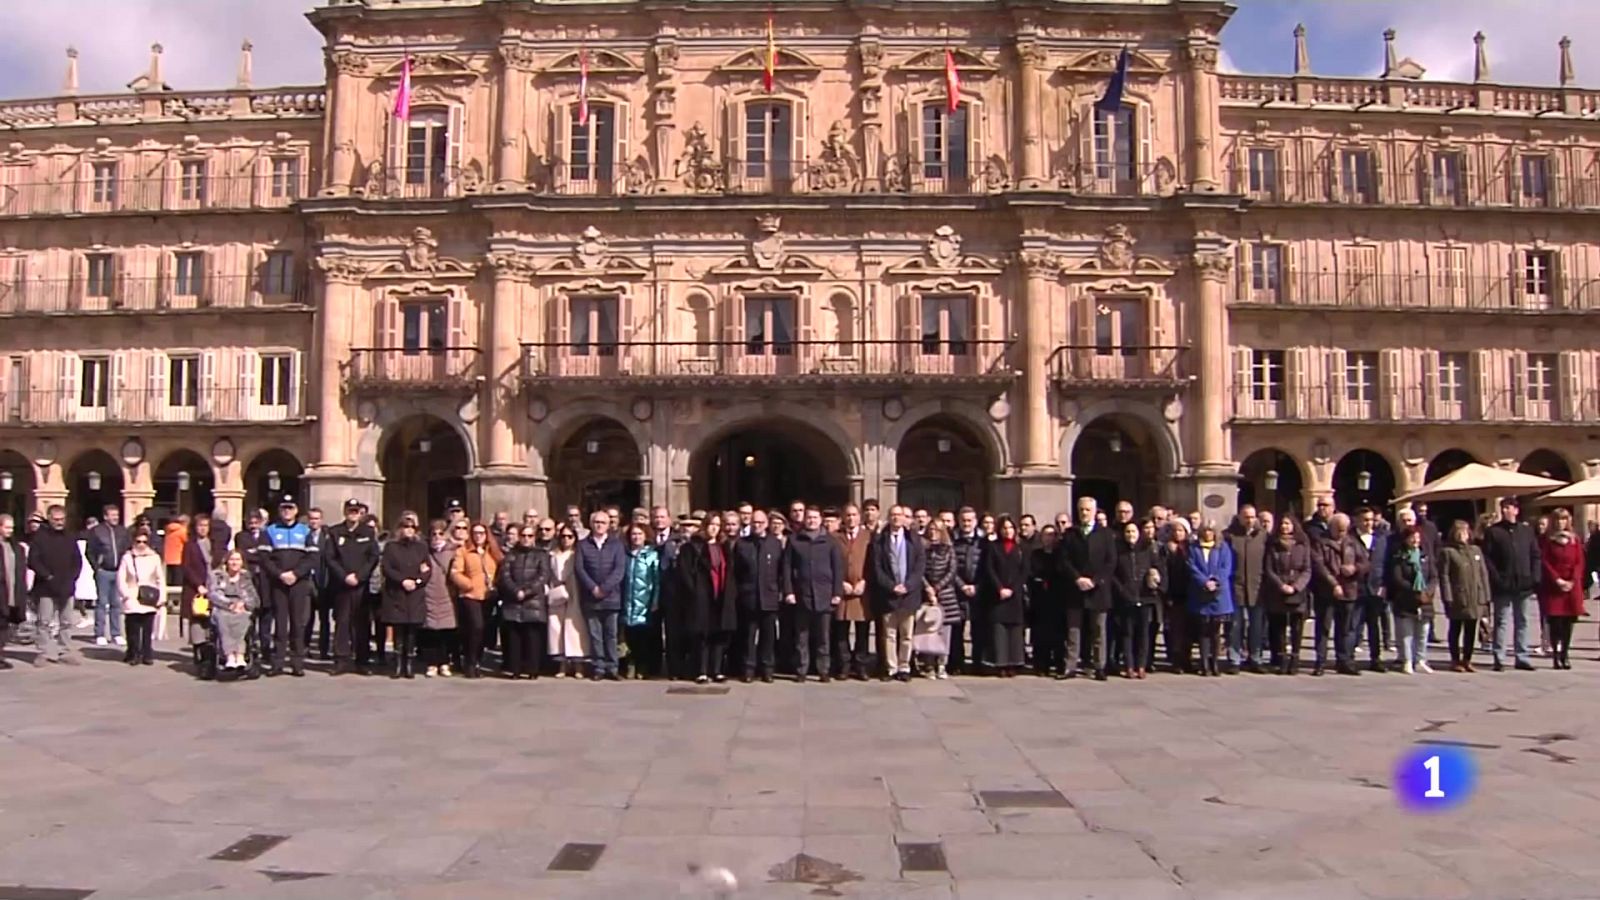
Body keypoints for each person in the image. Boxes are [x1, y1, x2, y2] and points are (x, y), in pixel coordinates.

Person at [783, 506, 843, 684]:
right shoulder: (794, 540)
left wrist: (837, 592)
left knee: (823, 637)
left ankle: (823, 670)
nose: (811, 521)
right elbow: (787, 568)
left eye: (815, 518)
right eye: (809, 518)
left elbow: (838, 568)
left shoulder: (831, 541)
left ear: (820, 520)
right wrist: (788, 591)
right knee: (802, 636)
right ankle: (802, 669)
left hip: (824, 594)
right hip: (802, 595)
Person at [1059, 496, 1116, 680]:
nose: (1084, 513)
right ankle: (1070, 666)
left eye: (1087, 510)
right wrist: (1077, 578)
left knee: (1099, 630)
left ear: (1094, 511)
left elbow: (1110, 561)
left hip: (1098, 590)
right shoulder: (1070, 534)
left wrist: (1095, 580)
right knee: (1073, 629)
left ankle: (1100, 666)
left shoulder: (1106, 534)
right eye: (1081, 509)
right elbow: (1064, 560)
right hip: (1075, 589)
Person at [1481, 497, 1540, 672]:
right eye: (1503, 508)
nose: (1506, 511)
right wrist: (1497, 578)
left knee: (1522, 621)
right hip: (1503, 584)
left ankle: (1522, 656)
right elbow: (1488, 558)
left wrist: (1534, 577)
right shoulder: (1494, 531)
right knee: (1501, 621)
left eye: (1509, 508)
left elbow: (1535, 554)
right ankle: (1499, 656)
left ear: (1516, 510)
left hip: (1523, 583)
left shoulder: (1526, 531)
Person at [677, 515, 737, 684]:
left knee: (719, 634)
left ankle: (717, 670)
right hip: (701, 596)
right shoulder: (692, 547)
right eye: (711, 524)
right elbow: (685, 572)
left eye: (717, 525)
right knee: (702, 634)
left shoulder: (725, 547)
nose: (714, 528)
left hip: (721, 595)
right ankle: (701, 671)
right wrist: (694, 591)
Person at [324, 499, 380, 676]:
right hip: (342, 585)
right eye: (350, 510)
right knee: (342, 622)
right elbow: (330, 558)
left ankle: (362, 661)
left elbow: (373, 557)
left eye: (356, 511)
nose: (353, 513)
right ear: (345, 511)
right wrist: (344, 576)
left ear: (360, 513)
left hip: (361, 586)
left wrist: (359, 576)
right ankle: (341, 660)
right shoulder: (335, 532)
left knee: (362, 623)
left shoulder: (368, 532)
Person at [871, 505, 926, 682]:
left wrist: (908, 585)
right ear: (888, 517)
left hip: (909, 595)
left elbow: (919, 567)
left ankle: (904, 666)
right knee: (889, 634)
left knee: (906, 634)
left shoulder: (914, 540)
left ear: (905, 518)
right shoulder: (880, 540)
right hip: (889, 595)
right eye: (893, 515)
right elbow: (877, 567)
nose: (896, 518)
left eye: (899, 515)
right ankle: (891, 667)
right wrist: (891, 586)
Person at [261, 497, 315, 677]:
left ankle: (297, 663)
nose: (287, 511)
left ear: (296, 510)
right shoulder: (270, 530)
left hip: (299, 583)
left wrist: (296, 574)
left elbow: (311, 558)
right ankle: (277, 663)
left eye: (290, 508)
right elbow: (265, 558)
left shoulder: (305, 531)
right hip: (279, 583)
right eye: (283, 508)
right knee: (281, 624)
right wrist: (280, 574)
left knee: (298, 624)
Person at [1310, 512, 1368, 677]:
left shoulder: (1353, 542)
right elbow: (1319, 566)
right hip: (1326, 592)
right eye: (1338, 529)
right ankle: (1320, 661)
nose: (1341, 532)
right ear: (1331, 527)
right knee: (1324, 628)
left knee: (1346, 628)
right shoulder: (1321, 543)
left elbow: (1365, 562)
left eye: (1344, 529)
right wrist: (1334, 584)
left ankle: (1344, 661)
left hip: (1349, 590)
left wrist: (1355, 569)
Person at [574, 510, 627, 681]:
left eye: (603, 522)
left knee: (611, 634)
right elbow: (580, 569)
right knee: (595, 634)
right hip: (591, 598)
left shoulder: (617, 545)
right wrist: (593, 588)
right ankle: (598, 667)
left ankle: (612, 667)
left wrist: (604, 588)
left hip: (611, 597)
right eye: (596, 522)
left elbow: (619, 570)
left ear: (608, 525)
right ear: (591, 524)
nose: (599, 525)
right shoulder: (583, 545)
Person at [28, 505, 82, 667]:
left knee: (66, 622)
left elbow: (77, 560)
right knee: (44, 622)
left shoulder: (70, 537)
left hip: (67, 585)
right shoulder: (40, 537)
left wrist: (73, 576)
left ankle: (65, 651)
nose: (59, 523)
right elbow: (33, 560)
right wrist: (47, 575)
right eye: (56, 519)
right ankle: (44, 652)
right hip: (46, 586)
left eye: (62, 519)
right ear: (49, 519)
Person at [499, 522, 552, 680]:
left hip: (533, 601)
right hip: (513, 601)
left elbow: (543, 576)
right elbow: (505, 575)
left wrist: (527, 591)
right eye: (523, 536)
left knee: (532, 638)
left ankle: (532, 670)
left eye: (530, 536)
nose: (526, 539)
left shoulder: (541, 555)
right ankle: (515, 669)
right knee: (515, 638)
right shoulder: (511, 554)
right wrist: (515, 591)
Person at [735, 510, 783, 683]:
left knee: (768, 636)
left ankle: (767, 669)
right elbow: (737, 572)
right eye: (754, 522)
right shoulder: (742, 544)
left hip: (769, 596)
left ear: (767, 524)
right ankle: (748, 669)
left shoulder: (775, 544)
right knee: (748, 636)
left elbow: (780, 570)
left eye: (761, 523)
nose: (757, 525)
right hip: (749, 597)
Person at [379, 517, 430, 679]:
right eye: (405, 526)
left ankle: (409, 664)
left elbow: (427, 569)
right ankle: (398, 664)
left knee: (411, 630)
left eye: (412, 527)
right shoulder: (391, 547)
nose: (408, 529)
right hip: (397, 592)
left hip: (415, 594)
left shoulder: (421, 547)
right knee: (398, 629)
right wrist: (402, 580)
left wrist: (417, 581)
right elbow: (387, 568)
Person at [1262, 516, 1312, 675]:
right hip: (1279, 590)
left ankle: (1295, 659)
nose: (1284, 526)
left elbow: (1307, 569)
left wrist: (1296, 586)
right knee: (1279, 627)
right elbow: (1268, 569)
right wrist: (1281, 585)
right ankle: (1282, 659)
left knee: (1297, 627)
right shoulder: (1273, 545)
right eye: (1282, 523)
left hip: (1297, 590)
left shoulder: (1302, 545)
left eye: (1287, 523)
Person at [1437, 519, 1490, 672]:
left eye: (1465, 532)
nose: (1463, 535)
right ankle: (1455, 659)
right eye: (1459, 532)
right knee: (1455, 628)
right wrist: (1447, 596)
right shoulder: (1448, 552)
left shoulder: (1475, 550)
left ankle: (1467, 659)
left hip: (1475, 595)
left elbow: (1483, 574)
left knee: (1471, 629)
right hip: (1458, 596)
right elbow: (1444, 576)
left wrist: (1486, 595)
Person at [979, 516, 1029, 678]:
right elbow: (989, 568)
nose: (1007, 531)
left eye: (1010, 528)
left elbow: (1024, 571)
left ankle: (1013, 663)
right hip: (997, 594)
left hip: (1015, 595)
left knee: (1014, 630)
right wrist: (999, 588)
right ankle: (1000, 663)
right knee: (999, 629)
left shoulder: (1020, 549)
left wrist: (1013, 589)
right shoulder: (993, 547)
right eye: (1004, 528)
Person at [1110, 519, 1160, 679]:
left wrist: (1155, 580)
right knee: (1127, 633)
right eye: (1128, 532)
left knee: (1143, 633)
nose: (1131, 535)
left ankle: (1141, 665)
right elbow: (1113, 575)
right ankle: (1129, 665)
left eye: (1133, 532)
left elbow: (1157, 568)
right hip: (1126, 598)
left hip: (1145, 597)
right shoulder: (1119, 552)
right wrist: (1122, 590)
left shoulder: (1146, 550)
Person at [449, 521, 498, 679]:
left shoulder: (492, 552)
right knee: (476, 627)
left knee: (484, 630)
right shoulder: (464, 551)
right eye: (475, 533)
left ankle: (477, 660)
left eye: (481, 533)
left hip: (488, 596)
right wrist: (468, 585)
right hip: (470, 595)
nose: (478, 536)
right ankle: (469, 662)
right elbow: (455, 572)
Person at [830, 504, 874, 681]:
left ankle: (861, 665)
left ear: (860, 517)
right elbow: (830, 564)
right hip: (842, 591)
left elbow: (874, 563)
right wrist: (840, 583)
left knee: (862, 632)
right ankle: (844, 666)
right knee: (842, 632)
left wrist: (865, 581)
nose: (851, 518)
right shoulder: (834, 538)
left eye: (854, 515)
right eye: (847, 515)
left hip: (862, 592)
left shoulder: (869, 537)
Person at [1538, 508, 1585, 670]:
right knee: (1555, 622)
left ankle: (1565, 654)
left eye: (1564, 519)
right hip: (1554, 586)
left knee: (1568, 622)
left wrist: (1573, 580)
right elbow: (1545, 562)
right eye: (1558, 519)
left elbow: (1580, 561)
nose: (1561, 523)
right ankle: (1556, 655)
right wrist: (1557, 579)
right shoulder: (1547, 540)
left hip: (1572, 586)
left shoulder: (1574, 540)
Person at [1186, 522, 1234, 677]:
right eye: (1205, 530)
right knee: (1203, 630)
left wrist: (1215, 581)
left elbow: (1226, 567)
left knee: (1215, 631)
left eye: (1211, 530)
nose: (1208, 533)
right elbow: (1191, 567)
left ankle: (1215, 663)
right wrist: (1204, 582)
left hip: (1218, 594)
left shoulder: (1223, 547)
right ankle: (1204, 662)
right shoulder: (1194, 548)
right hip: (1200, 593)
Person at [1387, 526, 1436, 675]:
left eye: (1417, 537)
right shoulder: (1399, 557)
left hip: (1425, 600)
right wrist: (1414, 590)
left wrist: (1428, 591)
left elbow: (1433, 576)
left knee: (1423, 632)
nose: (1415, 540)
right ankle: (1407, 660)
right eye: (1412, 537)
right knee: (1406, 633)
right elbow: (1397, 578)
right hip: (1406, 599)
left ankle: (1420, 659)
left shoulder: (1425, 556)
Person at [1224, 505, 1267, 674]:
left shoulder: (1263, 536)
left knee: (1256, 626)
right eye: (1246, 517)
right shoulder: (1230, 536)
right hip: (1237, 586)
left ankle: (1256, 658)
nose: (1249, 520)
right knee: (1236, 625)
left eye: (1252, 517)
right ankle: (1234, 659)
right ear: (1239, 517)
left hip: (1257, 587)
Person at [1351, 507, 1390, 673]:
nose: (1369, 523)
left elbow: (1385, 563)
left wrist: (1384, 585)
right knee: (1353, 625)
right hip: (1356, 587)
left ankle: (1376, 658)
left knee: (1374, 626)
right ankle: (1349, 657)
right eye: (1365, 520)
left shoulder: (1381, 539)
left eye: (1371, 520)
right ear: (1358, 521)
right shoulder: (1351, 538)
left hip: (1375, 588)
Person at [85, 503, 129, 649]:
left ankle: (116, 633)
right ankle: (100, 634)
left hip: (119, 571)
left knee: (117, 603)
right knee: (102, 603)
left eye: (117, 515)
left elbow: (127, 549)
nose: (115, 517)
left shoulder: (123, 531)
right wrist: (97, 568)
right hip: (104, 571)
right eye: (112, 515)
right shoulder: (97, 531)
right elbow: (89, 551)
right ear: (105, 516)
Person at [546, 525, 588, 677]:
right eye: (563, 536)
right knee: (557, 628)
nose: (566, 539)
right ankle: (562, 664)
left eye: (570, 536)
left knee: (575, 629)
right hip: (557, 590)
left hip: (574, 591)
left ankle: (578, 665)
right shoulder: (552, 554)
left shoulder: (577, 554)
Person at [180, 513, 225, 653]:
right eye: (200, 526)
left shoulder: (215, 544)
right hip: (196, 588)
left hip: (214, 586)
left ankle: (211, 648)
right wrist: (198, 584)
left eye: (206, 526)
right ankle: (198, 650)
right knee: (198, 619)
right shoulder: (190, 545)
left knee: (213, 619)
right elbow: (186, 567)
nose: (203, 529)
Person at [920, 522, 959, 680]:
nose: (933, 533)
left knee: (944, 633)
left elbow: (952, 570)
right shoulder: (923, 549)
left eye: (936, 530)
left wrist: (938, 588)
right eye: (931, 530)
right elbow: (919, 570)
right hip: (927, 595)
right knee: (928, 632)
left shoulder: (949, 549)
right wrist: (928, 588)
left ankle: (942, 664)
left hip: (946, 595)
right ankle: (928, 665)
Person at [207, 550, 259, 670]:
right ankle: (229, 656)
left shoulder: (246, 577)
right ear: (226, 561)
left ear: (242, 563)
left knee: (243, 619)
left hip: (241, 607)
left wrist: (243, 604)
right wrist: (229, 605)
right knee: (223, 619)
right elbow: (214, 594)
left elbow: (253, 598)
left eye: (237, 560)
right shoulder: (217, 575)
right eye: (232, 559)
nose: (234, 563)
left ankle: (240, 655)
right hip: (222, 607)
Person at [620, 523, 659, 679]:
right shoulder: (625, 555)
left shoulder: (651, 555)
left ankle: (643, 667)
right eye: (633, 534)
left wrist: (655, 600)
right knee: (628, 636)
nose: (636, 537)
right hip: (627, 601)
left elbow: (656, 580)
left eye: (639, 534)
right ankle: (630, 664)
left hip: (644, 601)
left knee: (642, 636)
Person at [233, 510, 273, 663]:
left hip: (265, 582)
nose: (253, 523)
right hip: (249, 581)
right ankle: (249, 648)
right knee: (249, 618)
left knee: (266, 618)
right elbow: (243, 556)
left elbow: (266, 556)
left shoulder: (266, 536)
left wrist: (255, 553)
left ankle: (266, 649)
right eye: (251, 521)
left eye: (256, 520)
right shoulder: (241, 536)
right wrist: (256, 553)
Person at [421, 520, 459, 678]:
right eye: (434, 534)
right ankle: (431, 663)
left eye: (440, 533)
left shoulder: (453, 552)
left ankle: (444, 662)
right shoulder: (424, 552)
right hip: (429, 594)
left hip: (447, 595)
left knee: (445, 632)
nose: (437, 537)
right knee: (430, 632)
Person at [949, 507, 984, 675]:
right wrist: (961, 585)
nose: (966, 524)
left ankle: (978, 662)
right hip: (958, 590)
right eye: (964, 520)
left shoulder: (983, 542)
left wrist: (977, 586)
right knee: (957, 629)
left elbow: (988, 567)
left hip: (978, 591)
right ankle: (957, 663)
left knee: (979, 629)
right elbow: (951, 567)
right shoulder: (953, 541)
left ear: (975, 522)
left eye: (970, 520)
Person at [1158, 519, 1193, 672]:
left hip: (1190, 593)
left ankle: (1187, 659)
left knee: (1189, 630)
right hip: (1173, 592)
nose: (1178, 534)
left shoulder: (1191, 548)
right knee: (1176, 629)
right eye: (1176, 530)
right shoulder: (1165, 549)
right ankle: (1176, 660)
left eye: (1181, 531)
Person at [0, 515, 24, 668]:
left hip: (12, 590)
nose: (10, 530)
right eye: (7, 527)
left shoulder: (16, 547)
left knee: (5, 624)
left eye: (12, 528)